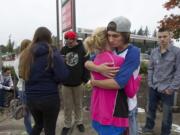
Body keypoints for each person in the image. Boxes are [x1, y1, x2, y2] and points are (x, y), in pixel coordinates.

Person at [85, 16, 140, 135]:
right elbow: (88, 63)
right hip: (107, 107)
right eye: (109, 35)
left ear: (125, 36)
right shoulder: (111, 49)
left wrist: (94, 82)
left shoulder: (133, 52)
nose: (110, 39)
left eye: (115, 36)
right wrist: (98, 68)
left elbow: (119, 83)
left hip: (126, 107)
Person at [19, 27, 69, 135]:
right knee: (49, 130)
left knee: (38, 124)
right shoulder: (52, 52)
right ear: (48, 38)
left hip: (31, 98)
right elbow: (63, 76)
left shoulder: (26, 55)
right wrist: (55, 78)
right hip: (49, 98)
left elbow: (22, 75)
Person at [141, 28, 180, 135]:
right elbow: (150, 68)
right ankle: (148, 128)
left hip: (167, 88)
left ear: (170, 36)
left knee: (167, 113)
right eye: (160, 37)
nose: (162, 39)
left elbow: (178, 72)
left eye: (165, 36)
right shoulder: (154, 52)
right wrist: (150, 83)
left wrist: (172, 88)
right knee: (150, 109)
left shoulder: (177, 52)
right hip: (154, 87)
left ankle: (165, 132)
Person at [60, 31, 90, 135]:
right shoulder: (64, 49)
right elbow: (59, 65)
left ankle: (79, 122)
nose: (68, 44)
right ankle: (67, 124)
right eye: (67, 42)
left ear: (75, 40)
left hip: (78, 83)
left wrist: (85, 79)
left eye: (70, 42)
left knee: (78, 104)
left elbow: (87, 66)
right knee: (67, 106)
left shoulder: (83, 49)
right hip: (65, 84)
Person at [14, 39, 32, 135]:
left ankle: (32, 130)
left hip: (23, 88)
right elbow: (22, 76)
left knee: (29, 113)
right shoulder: (22, 59)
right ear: (26, 47)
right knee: (27, 113)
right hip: (24, 88)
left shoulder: (20, 59)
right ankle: (30, 131)